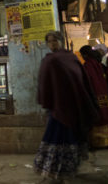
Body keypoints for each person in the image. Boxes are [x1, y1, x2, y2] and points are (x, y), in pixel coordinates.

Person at [34, 31, 99, 182]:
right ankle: (59, 172)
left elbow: (81, 79)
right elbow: (45, 83)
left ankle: (65, 171)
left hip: (71, 107)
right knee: (62, 138)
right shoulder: (51, 60)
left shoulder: (70, 58)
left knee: (66, 139)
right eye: (49, 41)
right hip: (59, 107)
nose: (52, 44)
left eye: (55, 40)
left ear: (61, 41)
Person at [80, 45, 108, 148]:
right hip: (104, 93)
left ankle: (98, 143)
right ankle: (107, 142)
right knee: (105, 115)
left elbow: (88, 82)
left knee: (97, 117)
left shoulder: (88, 65)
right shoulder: (98, 63)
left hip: (95, 95)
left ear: (85, 55)